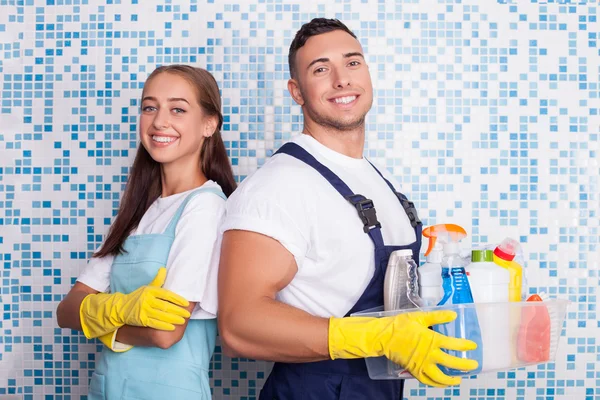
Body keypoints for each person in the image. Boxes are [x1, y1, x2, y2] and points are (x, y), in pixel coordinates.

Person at [217, 18, 479, 399]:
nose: (342, 80)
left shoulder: (383, 182)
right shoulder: (279, 184)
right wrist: (371, 336)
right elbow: (239, 324)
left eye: (352, 63)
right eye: (321, 69)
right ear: (297, 91)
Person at [56, 65, 236, 399]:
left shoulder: (205, 207)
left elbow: (166, 334)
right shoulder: (141, 211)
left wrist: (101, 322)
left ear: (209, 124)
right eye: (149, 107)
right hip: (106, 389)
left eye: (178, 109)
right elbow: (66, 311)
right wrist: (121, 309)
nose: (158, 122)